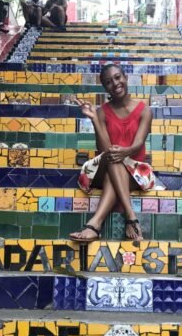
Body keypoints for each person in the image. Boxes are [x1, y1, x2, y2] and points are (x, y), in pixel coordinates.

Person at [69, 64, 164, 243]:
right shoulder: (102, 112)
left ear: (125, 77)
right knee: (112, 155)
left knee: (114, 161)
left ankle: (94, 225)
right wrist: (95, 119)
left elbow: (138, 144)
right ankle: (131, 217)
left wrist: (125, 152)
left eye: (118, 77)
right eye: (108, 82)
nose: (115, 83)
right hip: (105, 166)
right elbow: (103, 150)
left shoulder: (144, 110)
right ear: (105, 87)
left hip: (135, 174)